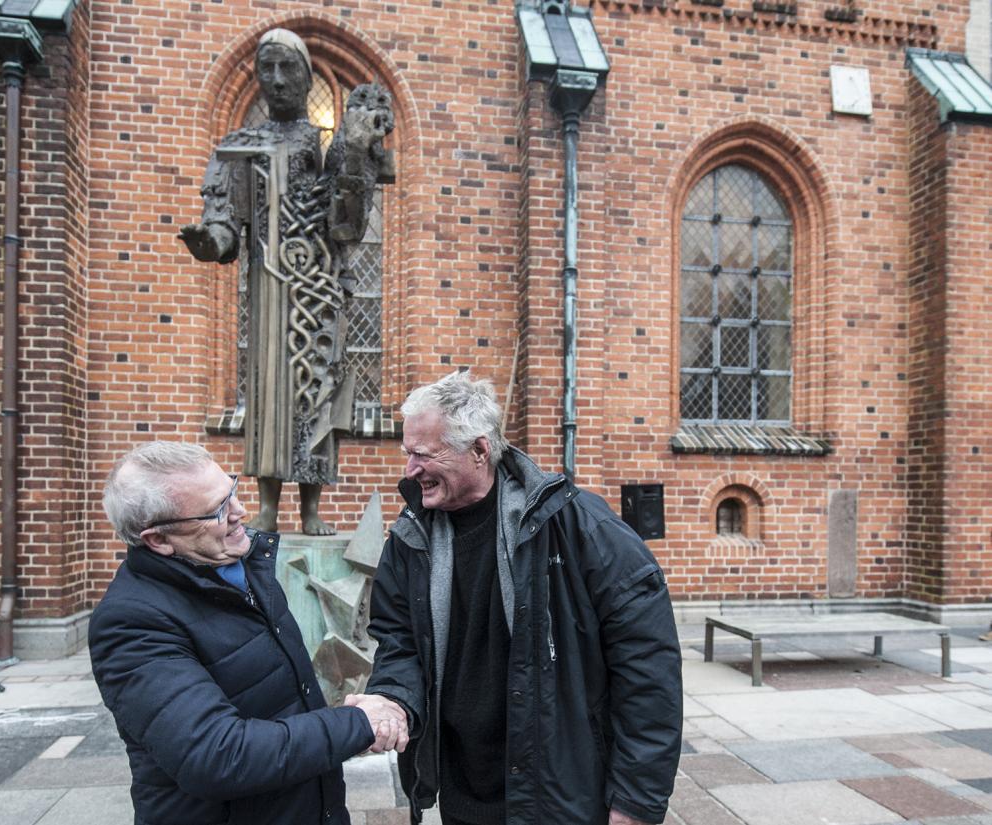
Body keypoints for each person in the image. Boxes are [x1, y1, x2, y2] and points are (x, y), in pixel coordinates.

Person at [349, 372, 683, 825]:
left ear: (480, 451)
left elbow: (648, 672)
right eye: (407, 453)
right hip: (463, 789)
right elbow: (399, 641)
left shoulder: (579, 529)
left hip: (560, 792)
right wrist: (392, 699)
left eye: (423, 455)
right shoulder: (411, 539)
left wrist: (636, 802)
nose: (409, 470)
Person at [88, 441, 408, 825]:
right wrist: (356, 724)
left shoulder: (242, 565)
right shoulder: (130, 622)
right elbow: (216, 755)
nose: (240, 512)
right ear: (158, 539)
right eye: (218, 510)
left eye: (233, 491)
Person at [179, 29, 392, 536]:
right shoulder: (239, 147)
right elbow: (224, 221)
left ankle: (312, 507)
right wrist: (211, 240)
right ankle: (269, 505)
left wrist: (358, 153)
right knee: (269, 391)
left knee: (317, 388)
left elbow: (346, 221)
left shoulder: (322, 143)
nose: (275, 80)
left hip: (317, 283)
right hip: (269, 286)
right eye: (266, 70)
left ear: (306, 77)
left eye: (287, 69)